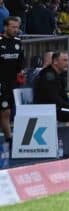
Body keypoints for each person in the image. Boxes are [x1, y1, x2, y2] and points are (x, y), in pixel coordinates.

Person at [0, 17, 23, 149]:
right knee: (5, 111)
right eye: (13, 27)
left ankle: (9, 138)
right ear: (5, 27)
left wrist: (20, 74)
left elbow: (20, 64)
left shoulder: (18, 43)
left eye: (17, 27)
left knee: (8, 111)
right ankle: (9, 138)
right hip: (1, 82)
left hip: (13, 84)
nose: (16, 29)